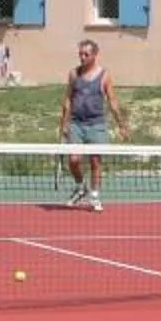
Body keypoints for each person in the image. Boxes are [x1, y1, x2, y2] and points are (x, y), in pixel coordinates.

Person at [60, 38, 121, 210]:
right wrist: (63, 124)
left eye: (86, 54)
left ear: (95, 55)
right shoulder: (73, 74)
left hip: (96, 124)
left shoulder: (105, 75)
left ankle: (94, 195)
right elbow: (67, 100)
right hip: (76, 124)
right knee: (73, 160)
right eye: (80, 54)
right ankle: (80, 188)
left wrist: (121, 124)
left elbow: (113, 101)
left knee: (95, 161)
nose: (82, 57)